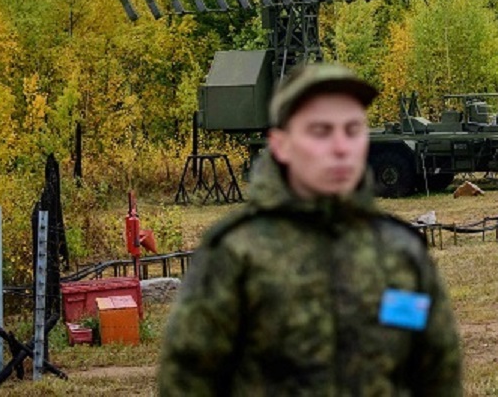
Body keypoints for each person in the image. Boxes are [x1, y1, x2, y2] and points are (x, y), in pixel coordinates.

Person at [158, 62, 462, 396]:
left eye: (353, 129)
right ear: (280, 144)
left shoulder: (399, 252)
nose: (341, 147)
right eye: (321, 131)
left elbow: (437, 374)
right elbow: (187, 380)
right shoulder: (236, 252)